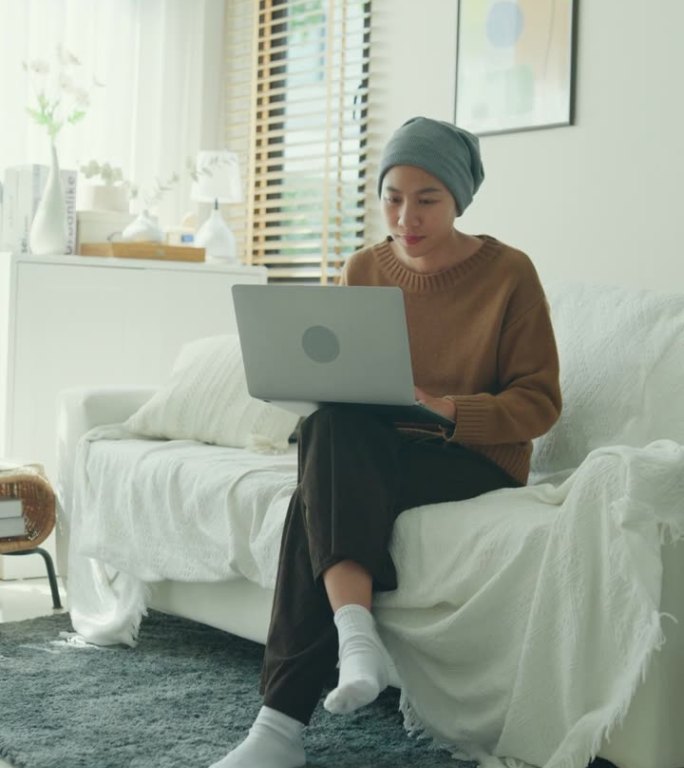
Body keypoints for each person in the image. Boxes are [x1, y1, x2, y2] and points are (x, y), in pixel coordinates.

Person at [209, 116, 562, 768]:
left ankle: (281, 728)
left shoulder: (510, 275)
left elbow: (539, 403)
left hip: (473, 456)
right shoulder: (363, 267)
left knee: (313, 500)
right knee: (326, 428)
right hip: (375, 445)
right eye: (393, 197)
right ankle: (352, 634)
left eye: (427, 199)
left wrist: (448, 407)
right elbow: (340, 382)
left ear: (458, 199)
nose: (407, 217)